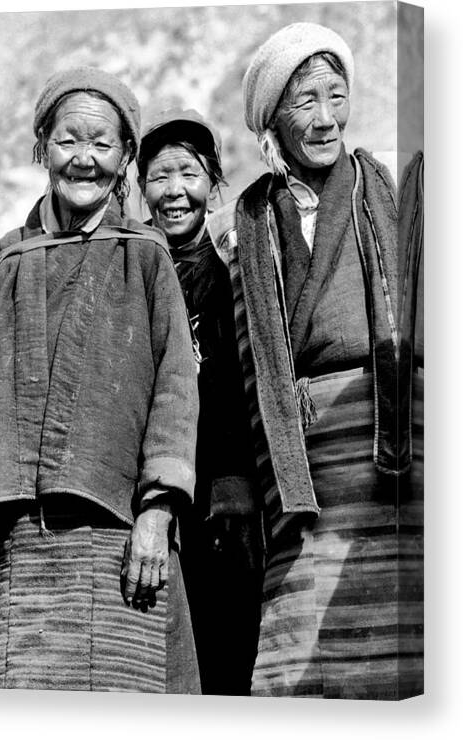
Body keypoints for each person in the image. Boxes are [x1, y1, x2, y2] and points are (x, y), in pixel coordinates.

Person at [0, 67, 201, 694]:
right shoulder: (12, 258)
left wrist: (158, 510)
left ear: (124, 159)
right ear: (43, 148)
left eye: (102, 144)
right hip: (21, 545)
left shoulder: (145, 255)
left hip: (119, 533)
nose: (84, 159)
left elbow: (175, 387)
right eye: (68, 141)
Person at [207, 23, 423, 699]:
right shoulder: (246, 222)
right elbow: (229, 361)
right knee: (298, 639)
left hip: (387, 444)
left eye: (336, 95)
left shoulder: (386, 192)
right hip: (298, 462)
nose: (327, 118)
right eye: (306, 101)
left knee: (403, 633)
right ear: (272, 118)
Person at [136, 108, 264, 695]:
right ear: (141, 191)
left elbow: (244, 377)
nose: (175, 192)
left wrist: (236, 478)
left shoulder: (234, 260)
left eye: (188, 173)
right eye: (159, 177)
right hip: (156, 493)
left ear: (213, 182)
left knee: (228, 647)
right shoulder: (134, 265)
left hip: (224, 491)